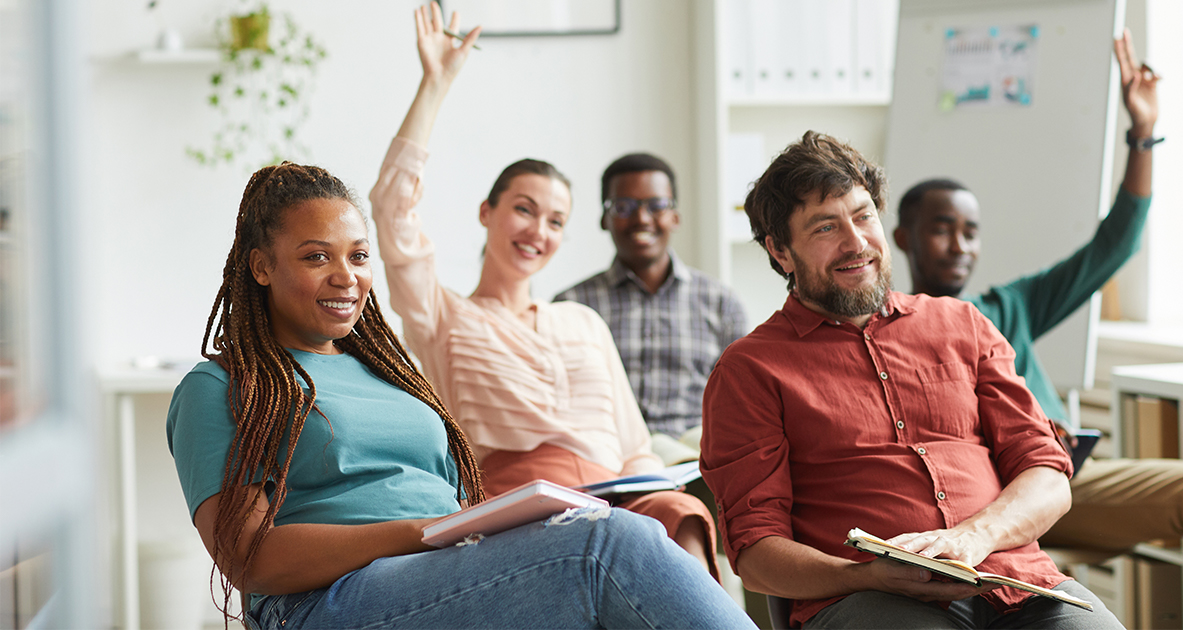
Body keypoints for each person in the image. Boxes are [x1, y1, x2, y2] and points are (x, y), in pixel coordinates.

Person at [164, 59, 755, 630]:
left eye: (358, 256)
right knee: (607, 547)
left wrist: (465, 528)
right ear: (261, 266)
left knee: (646, 534)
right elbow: (249, 559)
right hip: (328, 602)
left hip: (441, 568)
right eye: (317, 256)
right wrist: (421, 531)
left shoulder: (389, 375)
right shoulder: (220, 387)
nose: (347, 276)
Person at [699, 129, 1123, 628]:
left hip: (1019, 585)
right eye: (824, 228)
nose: (856, 243)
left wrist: (974, 537)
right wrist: (863, 576)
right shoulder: (749, 369)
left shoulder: (963, 323)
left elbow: (1048, 477)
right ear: (781, 251)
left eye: (863, 216)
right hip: (868, 602)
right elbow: (755, 552)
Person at [369, 2, 720, 577]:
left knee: (681, 515)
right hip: (520, 508)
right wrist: (435, 85)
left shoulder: (581, 321)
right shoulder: (444, 317)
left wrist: (653, 478)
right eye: (524, 210)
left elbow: (633, 444)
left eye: (555, 221)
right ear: (487, 212)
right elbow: (392, 210)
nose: (538, 230)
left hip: (620, 496)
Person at [893, 28, 1183, 591]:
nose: (960, 246)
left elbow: (1114, 246)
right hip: (992, 499)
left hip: (1073, 480)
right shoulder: (889, 334)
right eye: (941, 229)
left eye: (971, 231)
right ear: (904, 238)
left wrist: (1143, 134)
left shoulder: (1009, 306)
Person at [554, 153, 747, 438]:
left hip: (696, 463)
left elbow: (741, 404)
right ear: (604, 219)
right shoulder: (570, 307)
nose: (641, 219)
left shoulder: (721, 304)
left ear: (675, 216)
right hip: (607, 464)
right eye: (623, 207)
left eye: (657, 206)